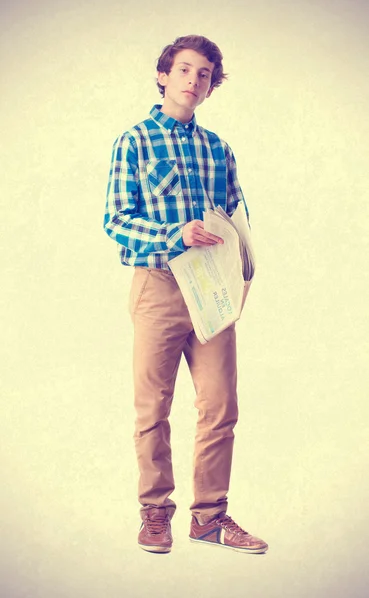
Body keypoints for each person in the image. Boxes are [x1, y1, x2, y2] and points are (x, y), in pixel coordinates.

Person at [104, 34, 268, 555]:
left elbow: (239, 215)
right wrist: (176, 236)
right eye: (184, 70)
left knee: (220, 406)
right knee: (152, 408)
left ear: (211, 86)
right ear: (163, 75)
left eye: (203, 75)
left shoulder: (218, 148)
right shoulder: (133, 141)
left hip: (214, 293)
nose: (193, 81)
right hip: (159, 287)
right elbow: (116, 221)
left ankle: (210, 519)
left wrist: (241, 267)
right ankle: (155, 513)